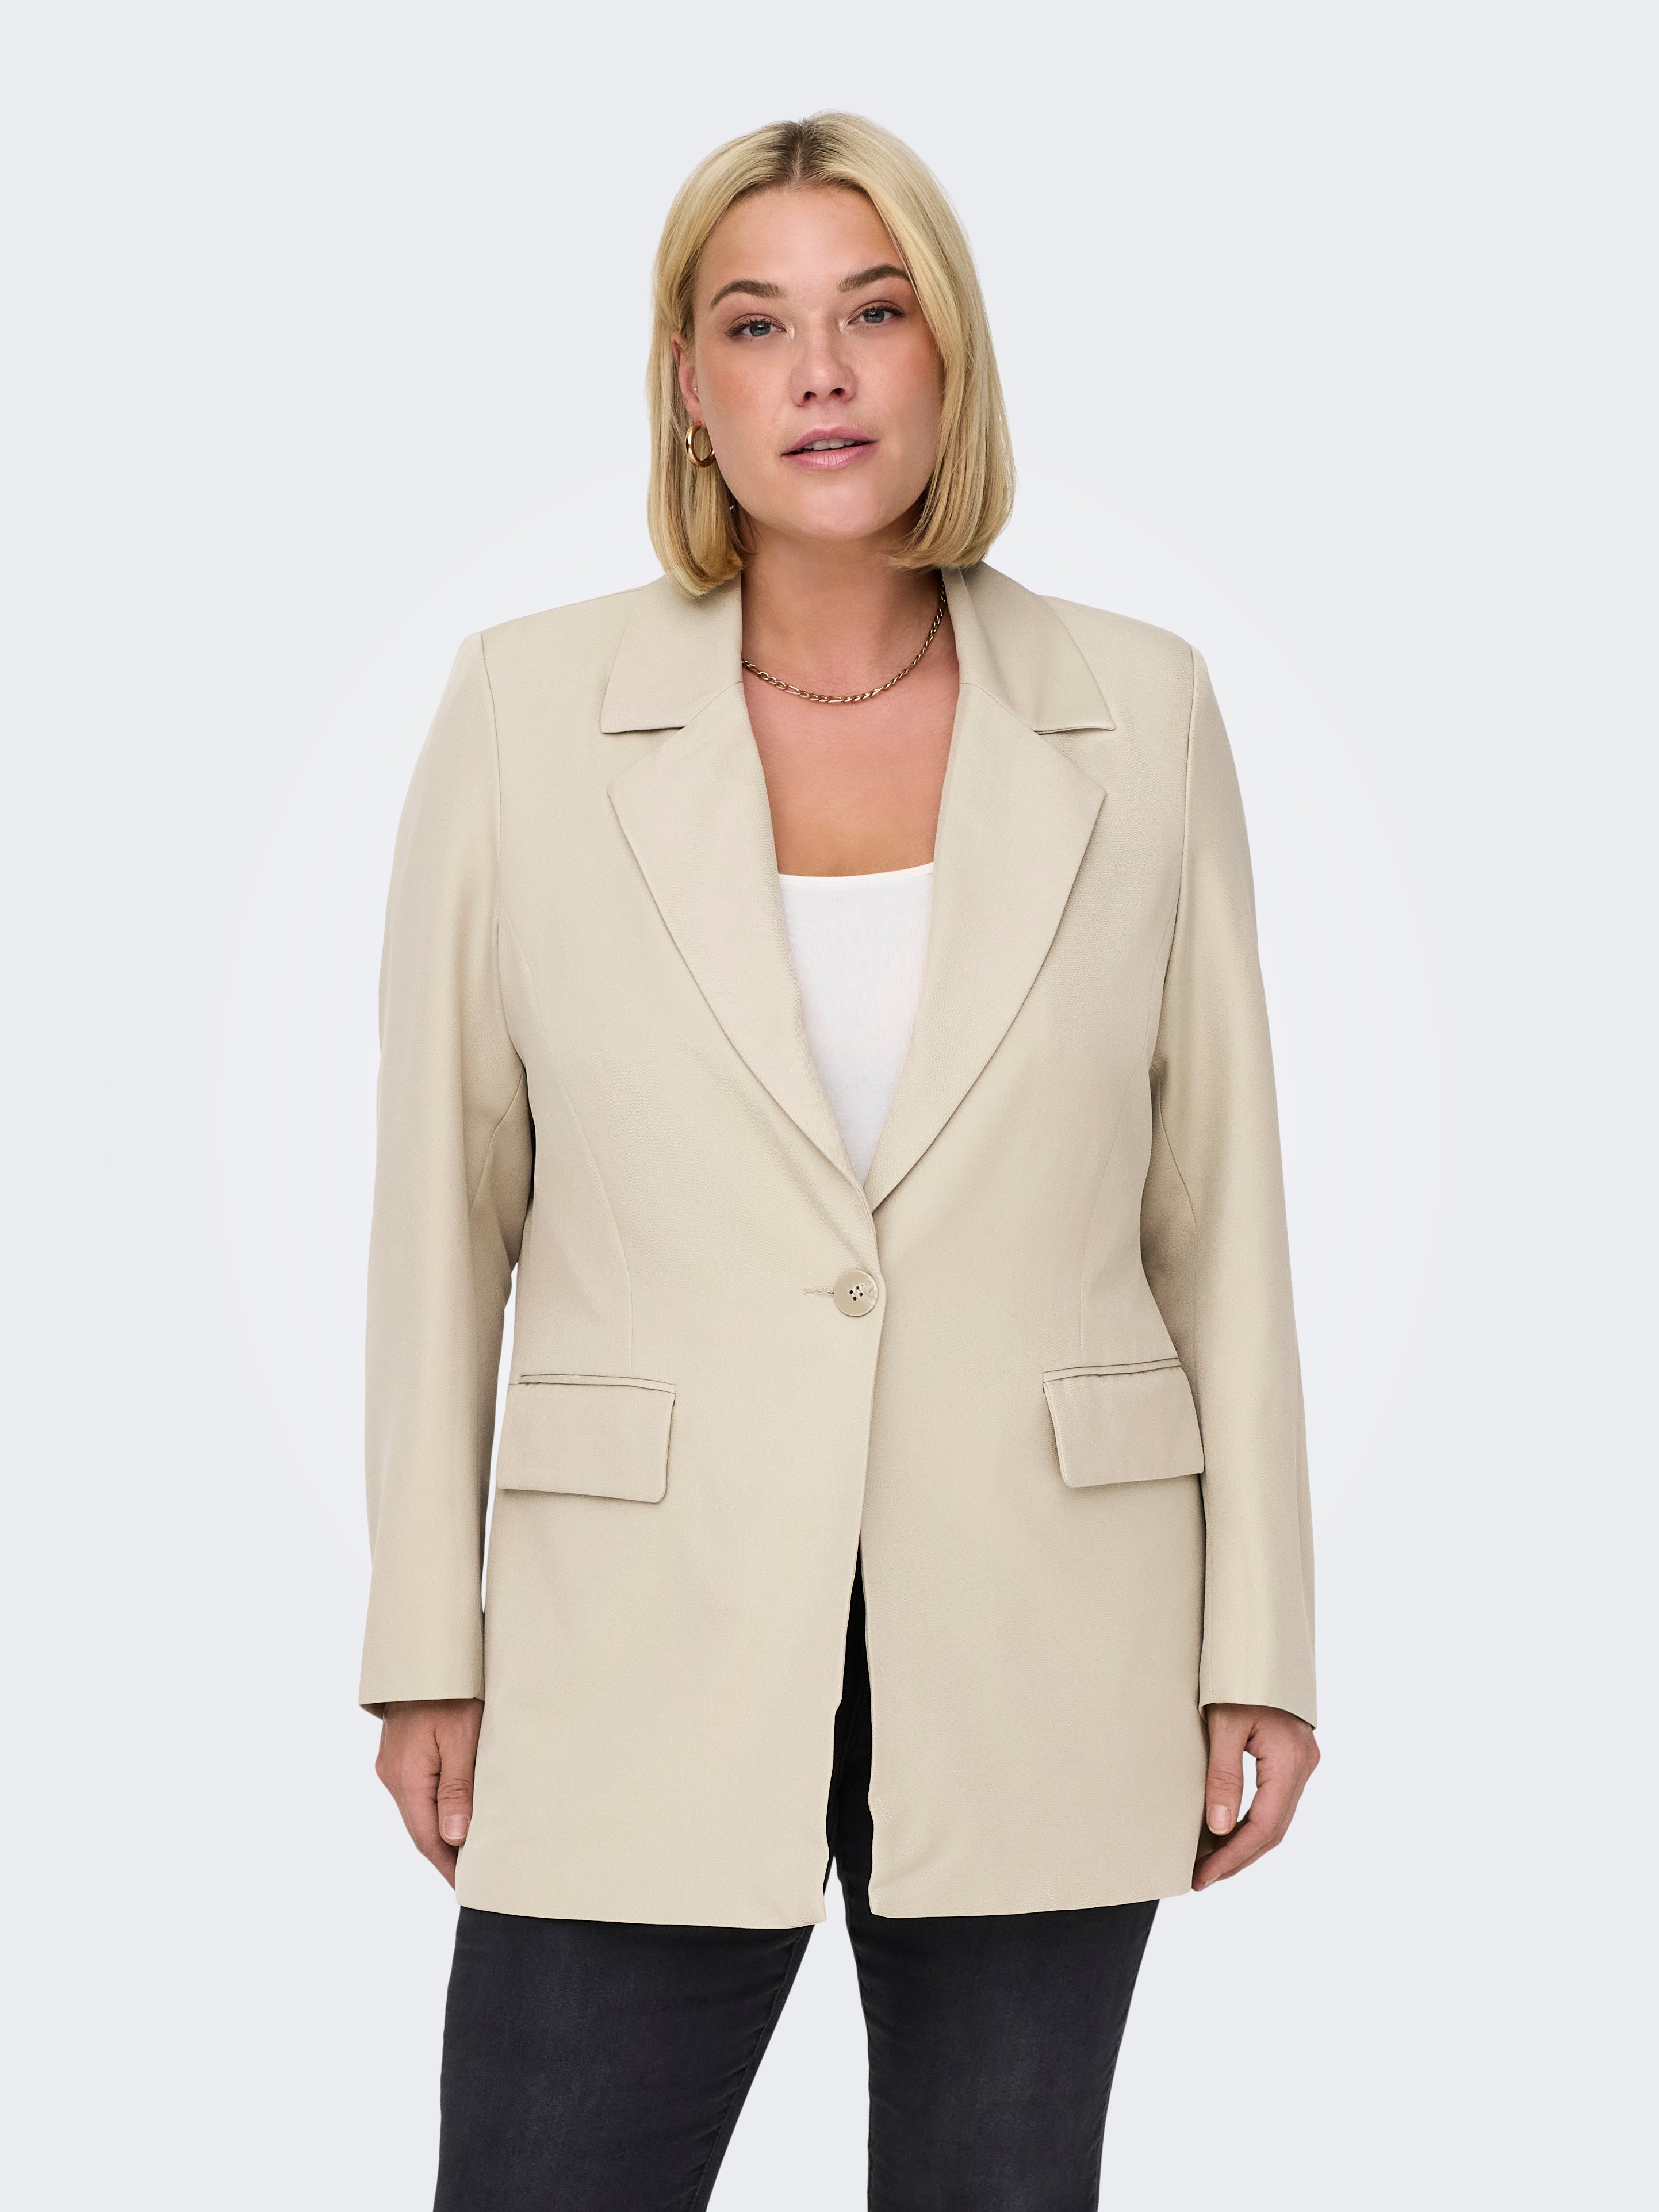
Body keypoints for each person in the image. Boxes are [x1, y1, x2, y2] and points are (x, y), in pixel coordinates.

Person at [362, 111, 1320, 2211]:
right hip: (637, 1630)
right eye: (756, 323)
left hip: (1050, 1625)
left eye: (874, 313)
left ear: (948, 354)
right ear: (687, 386)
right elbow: (445, 1208)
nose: (819, 372)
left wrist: (1260, 1642)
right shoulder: (527, 712)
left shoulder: (1140, 709)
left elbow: (1219, 1214)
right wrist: (426, 1635)